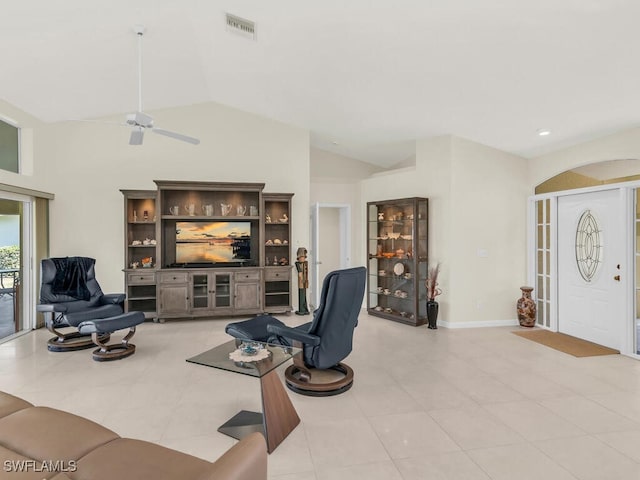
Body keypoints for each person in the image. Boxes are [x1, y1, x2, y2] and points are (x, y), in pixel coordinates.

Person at [295, 247, 310, 315]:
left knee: (304, 295)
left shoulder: (305, 263)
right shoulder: (298, 264)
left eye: (304, 257)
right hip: (301, 282)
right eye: (302, 257)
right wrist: (302, 279)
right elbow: (300, 273)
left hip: (305, 281)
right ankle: (301, 309)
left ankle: (305, 309)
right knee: (301, 295)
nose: (303, 258)